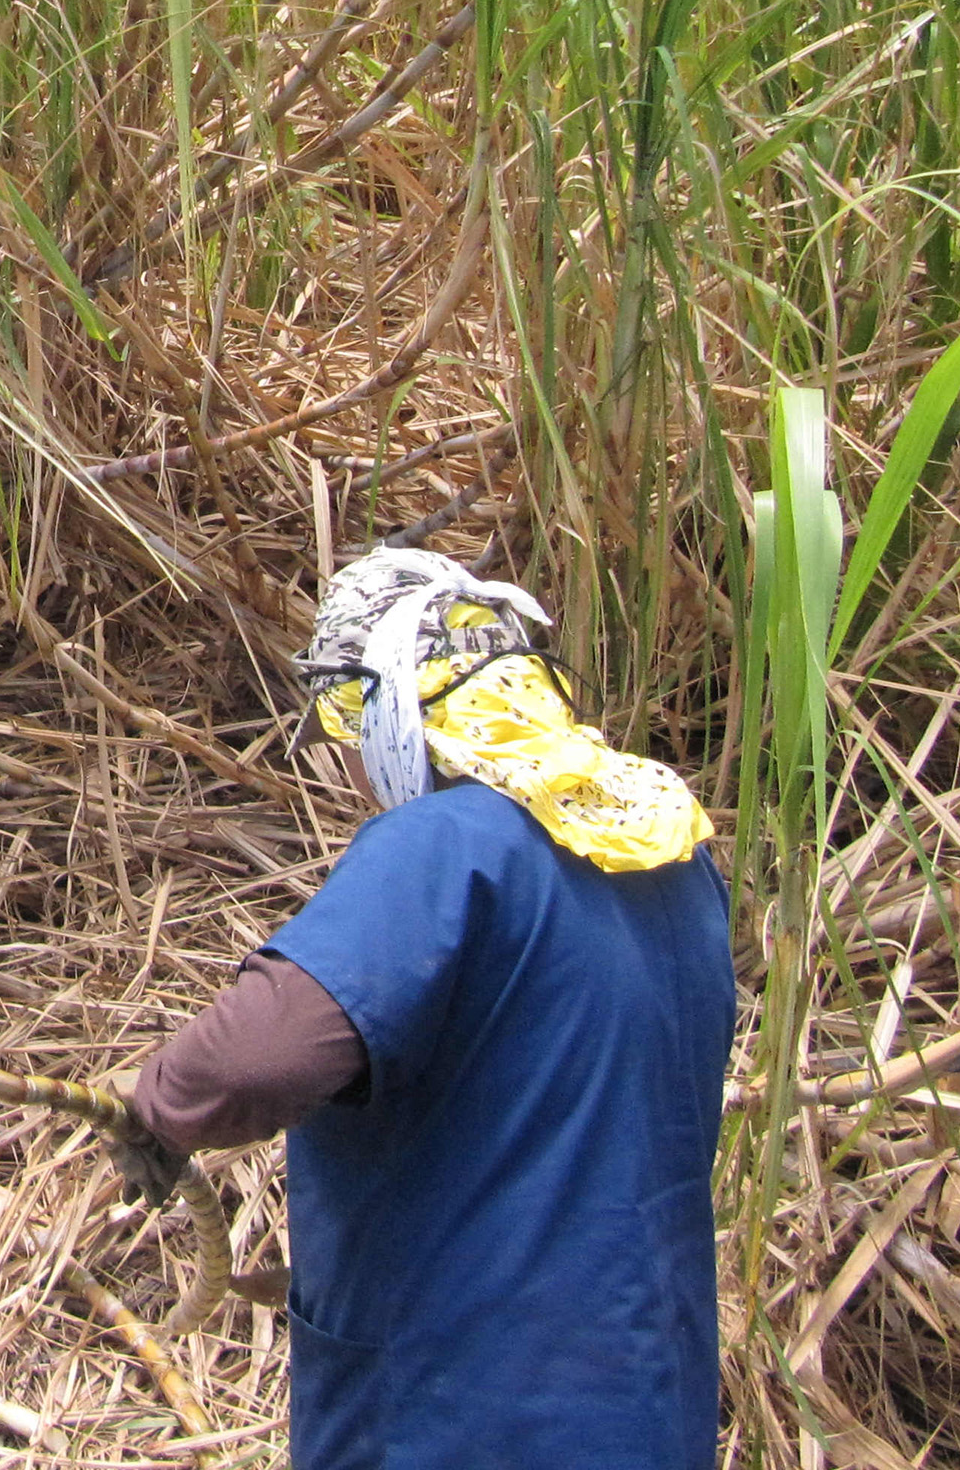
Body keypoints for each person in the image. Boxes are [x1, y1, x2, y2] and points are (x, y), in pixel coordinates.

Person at [110, 548, 735, 1470]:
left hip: (468, 1414)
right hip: (649, 1397)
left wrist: (158, 1103)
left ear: (395, 716)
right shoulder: (674, 855)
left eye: (357, 736)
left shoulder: (448, 848)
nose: (359, 772)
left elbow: (260, 1055)